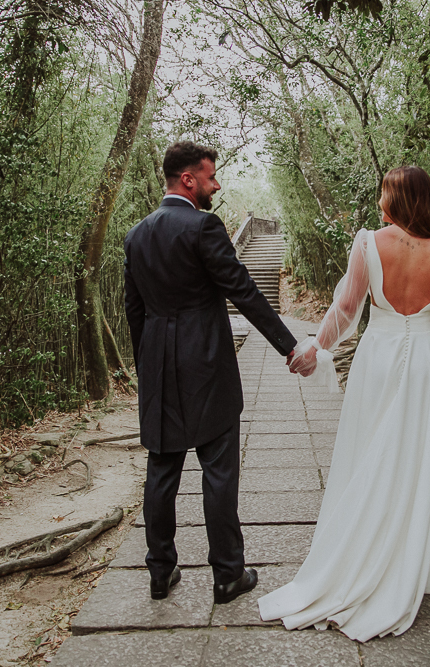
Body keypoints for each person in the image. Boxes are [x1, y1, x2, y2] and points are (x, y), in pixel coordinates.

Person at [257, 165, 430, 641]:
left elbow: (346, 306)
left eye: (384, 193)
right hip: (425, 365)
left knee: (366, 453)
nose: (380, 200)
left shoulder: (367, 243)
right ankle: (400, 567)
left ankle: (355, 557)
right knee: (412, 461)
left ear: (398, 199)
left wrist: (317, 345)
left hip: (376, 359)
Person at [124, 141, 298, 605]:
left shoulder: (137, 235)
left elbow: (134, 311)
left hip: (159, 364)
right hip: (206, 364)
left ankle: (160, 572)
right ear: (188, 180)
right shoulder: (204, 225)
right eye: (210, 176)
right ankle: (227, 575)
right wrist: (289, 345)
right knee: (218, 471)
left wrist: (149, 372)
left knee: (162, 469)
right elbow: (242, 290)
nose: (216, 185)